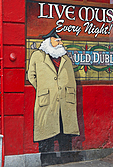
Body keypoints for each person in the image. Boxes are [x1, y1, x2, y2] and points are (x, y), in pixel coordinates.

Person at [28, 28, 79, 162]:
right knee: (46, 132)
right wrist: (43, 88)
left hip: (64, 100)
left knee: (65, 131)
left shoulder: (65, 58)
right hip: (47, 100)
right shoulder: (37, 56)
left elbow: (71, 78)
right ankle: (47, 160)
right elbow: (31, 75)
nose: (60, 42)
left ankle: (66, 158)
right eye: (57, 40)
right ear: (48, 41)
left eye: (60, 40)